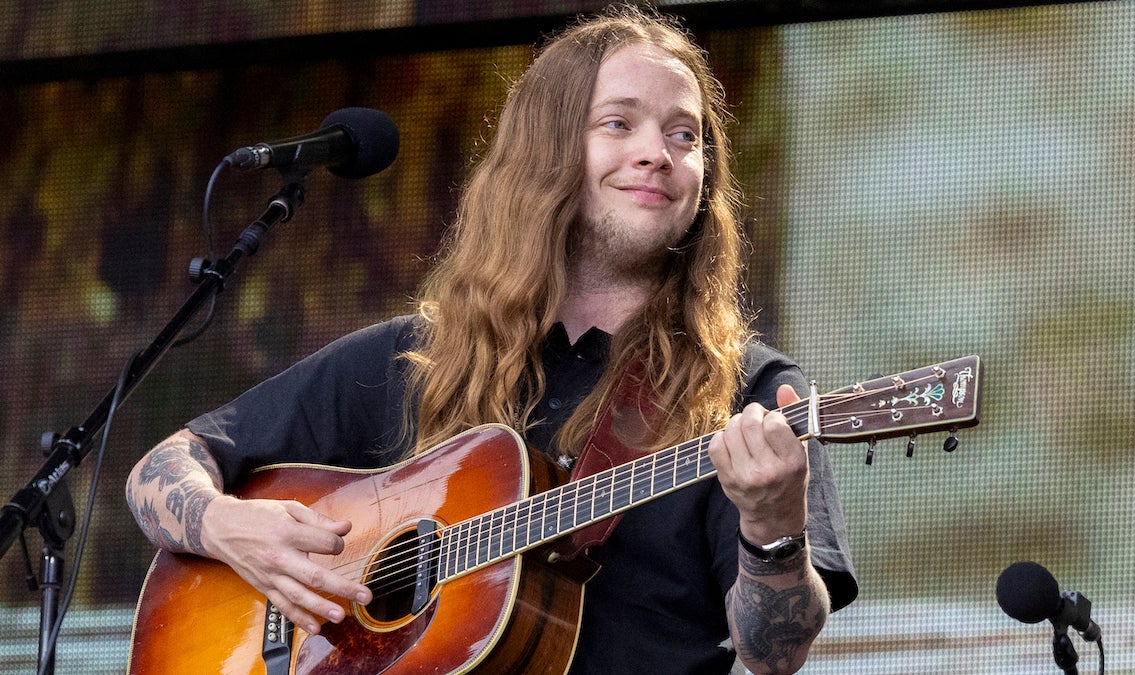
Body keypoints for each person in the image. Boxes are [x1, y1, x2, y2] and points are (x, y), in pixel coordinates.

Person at [126, 5, 857, 674]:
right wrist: (229, 526)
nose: (658, 154)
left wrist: (772, 527)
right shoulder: (415, 357)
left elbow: (776, 651)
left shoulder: (753, 395)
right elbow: (162, 467)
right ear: (545, 153)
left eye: (684, 134)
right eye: (619, 124)